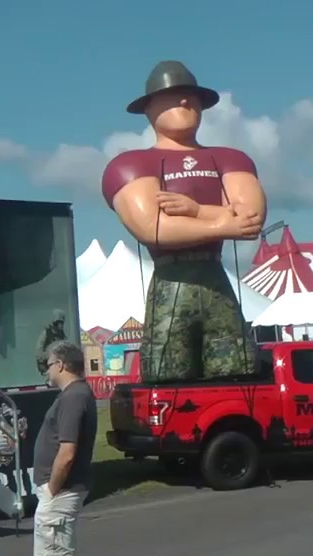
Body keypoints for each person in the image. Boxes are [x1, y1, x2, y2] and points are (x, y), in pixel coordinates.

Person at [102, 60, 266, 382]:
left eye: (191, 96)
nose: (184, 101)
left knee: (235, 369)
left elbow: (251, 219)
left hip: (216, 279)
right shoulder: (131, 164)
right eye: (172, 95)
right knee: (167, 371)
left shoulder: (231, 158)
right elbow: (153, 228)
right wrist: (224, 221)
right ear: (149, 108)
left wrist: (195, 210)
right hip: (170, 283)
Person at [34, 340, 99, 556]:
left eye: (48, 365)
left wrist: (52, 488)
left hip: (61, 490)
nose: (46, 371)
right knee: (62, 555)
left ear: (60, 364)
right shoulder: (75, 395)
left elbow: (67, 452)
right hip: (62, 489)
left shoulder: (74, 397)